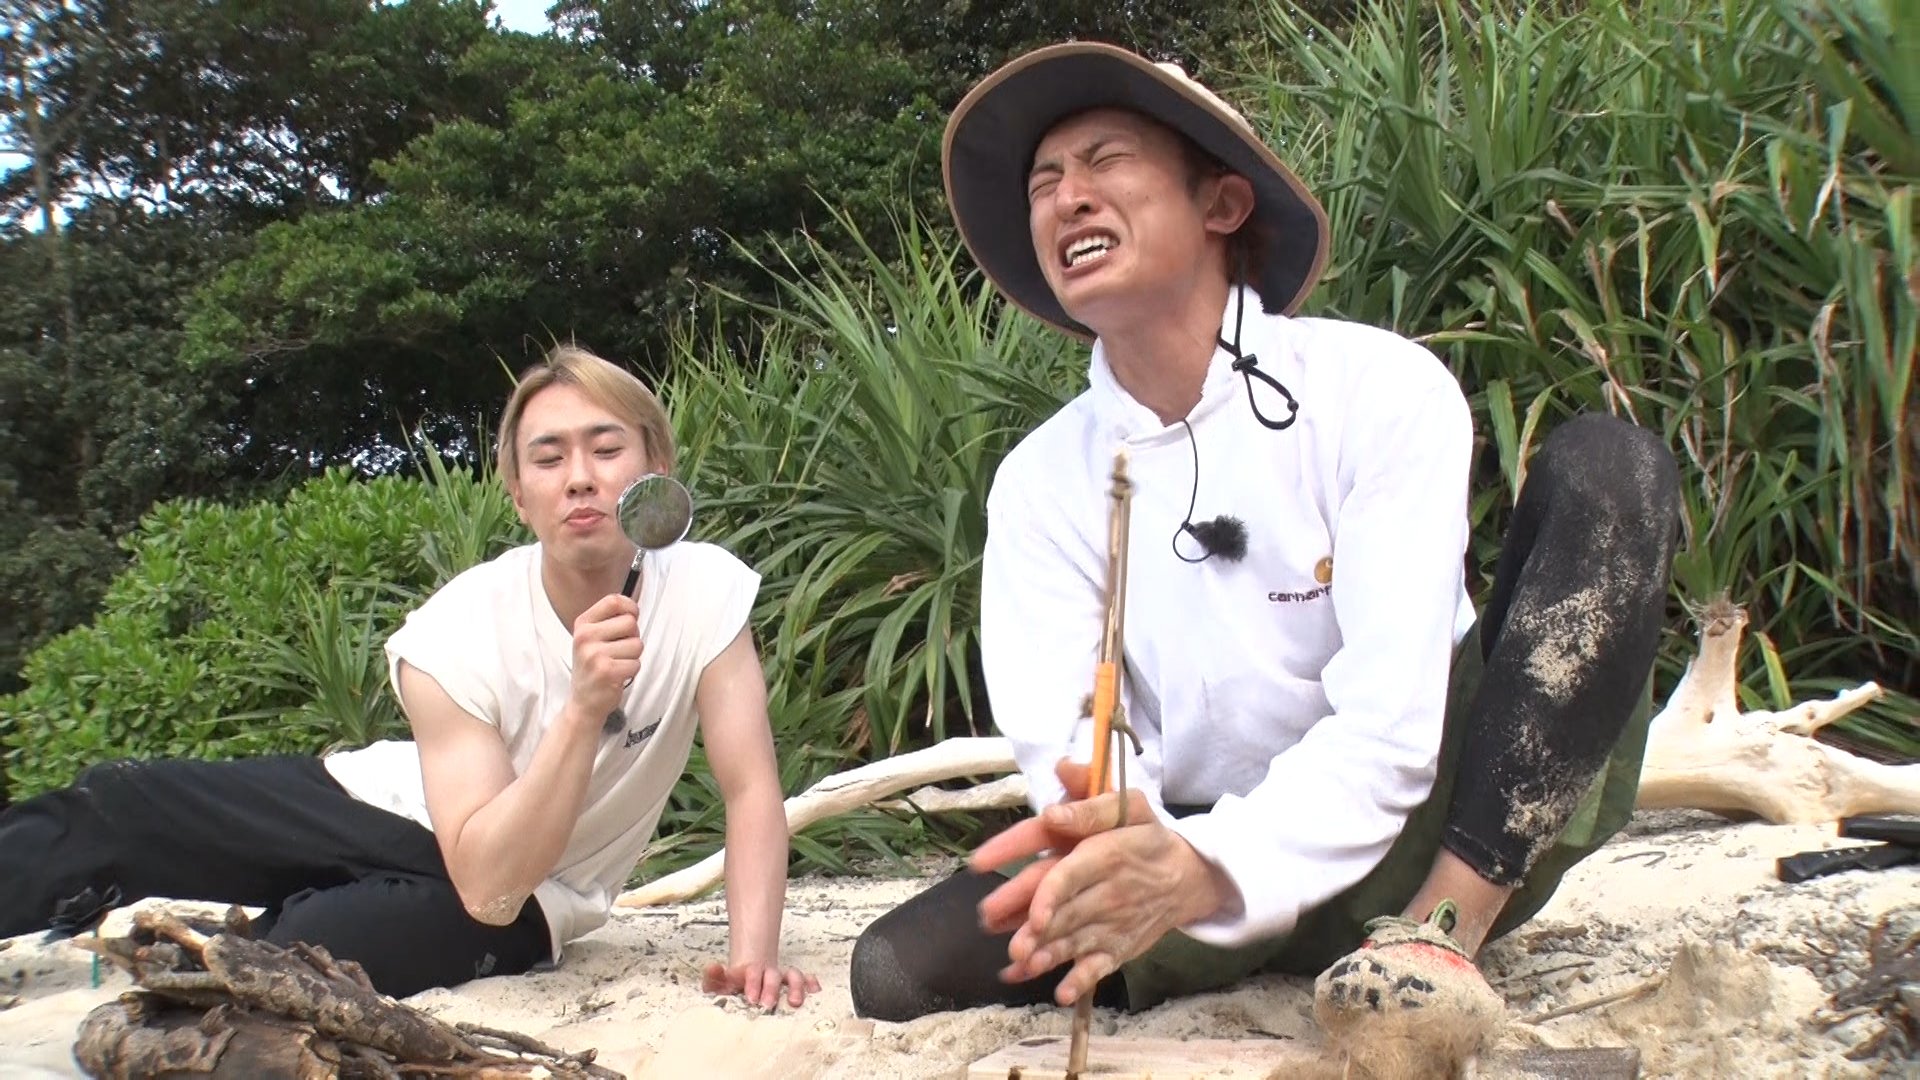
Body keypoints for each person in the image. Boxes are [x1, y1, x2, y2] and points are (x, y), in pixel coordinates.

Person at [848, 40, 1680, 1046]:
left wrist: (1214, 867)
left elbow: (1391, 724)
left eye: (1106, 160)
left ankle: (1436, 940)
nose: (1068, 198)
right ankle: (1242, 934)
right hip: (1185, 853)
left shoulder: (1376, 388)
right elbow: (1075, 740)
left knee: (1613, 471)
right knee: (896, 969)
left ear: (1223, 204)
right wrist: (1142, 854)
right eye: (1044, 183)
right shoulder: (1040, 481)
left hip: (1434, 821)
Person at [0, 345, 820, 1007]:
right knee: (122, 806)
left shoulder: (707, 592)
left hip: (525, 895)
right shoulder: (453, 629)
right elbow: (469, 839)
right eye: (548, 458)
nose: (580, 476)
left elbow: (744, 790)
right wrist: (583, 708)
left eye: (607, 450)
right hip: (389, 806)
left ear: (655, 466)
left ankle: (233, 938)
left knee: (302, 954)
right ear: (516, 492)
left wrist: (753, 958)